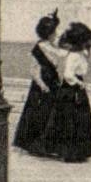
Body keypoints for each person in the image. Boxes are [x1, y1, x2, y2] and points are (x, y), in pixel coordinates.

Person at [44, 22, 91, 163]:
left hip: (72, 89)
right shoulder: (74, 56)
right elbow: (68, 74)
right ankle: (71, 151)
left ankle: (75, 151)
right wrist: (81, 84)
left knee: (74, 119)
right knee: (73, 119)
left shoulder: (78, 53)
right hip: (72, 89)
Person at [12, 10, 62, 156]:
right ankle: (36, 145)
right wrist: (42, 85)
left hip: (53, 85)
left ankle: (49, 146)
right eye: (54, 32)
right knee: (39, 116)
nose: (56, 35)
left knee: (52, 116)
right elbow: (34, 71)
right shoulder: (38, 49)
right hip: (41, 88)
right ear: (48, 33)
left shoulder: (53, 47)